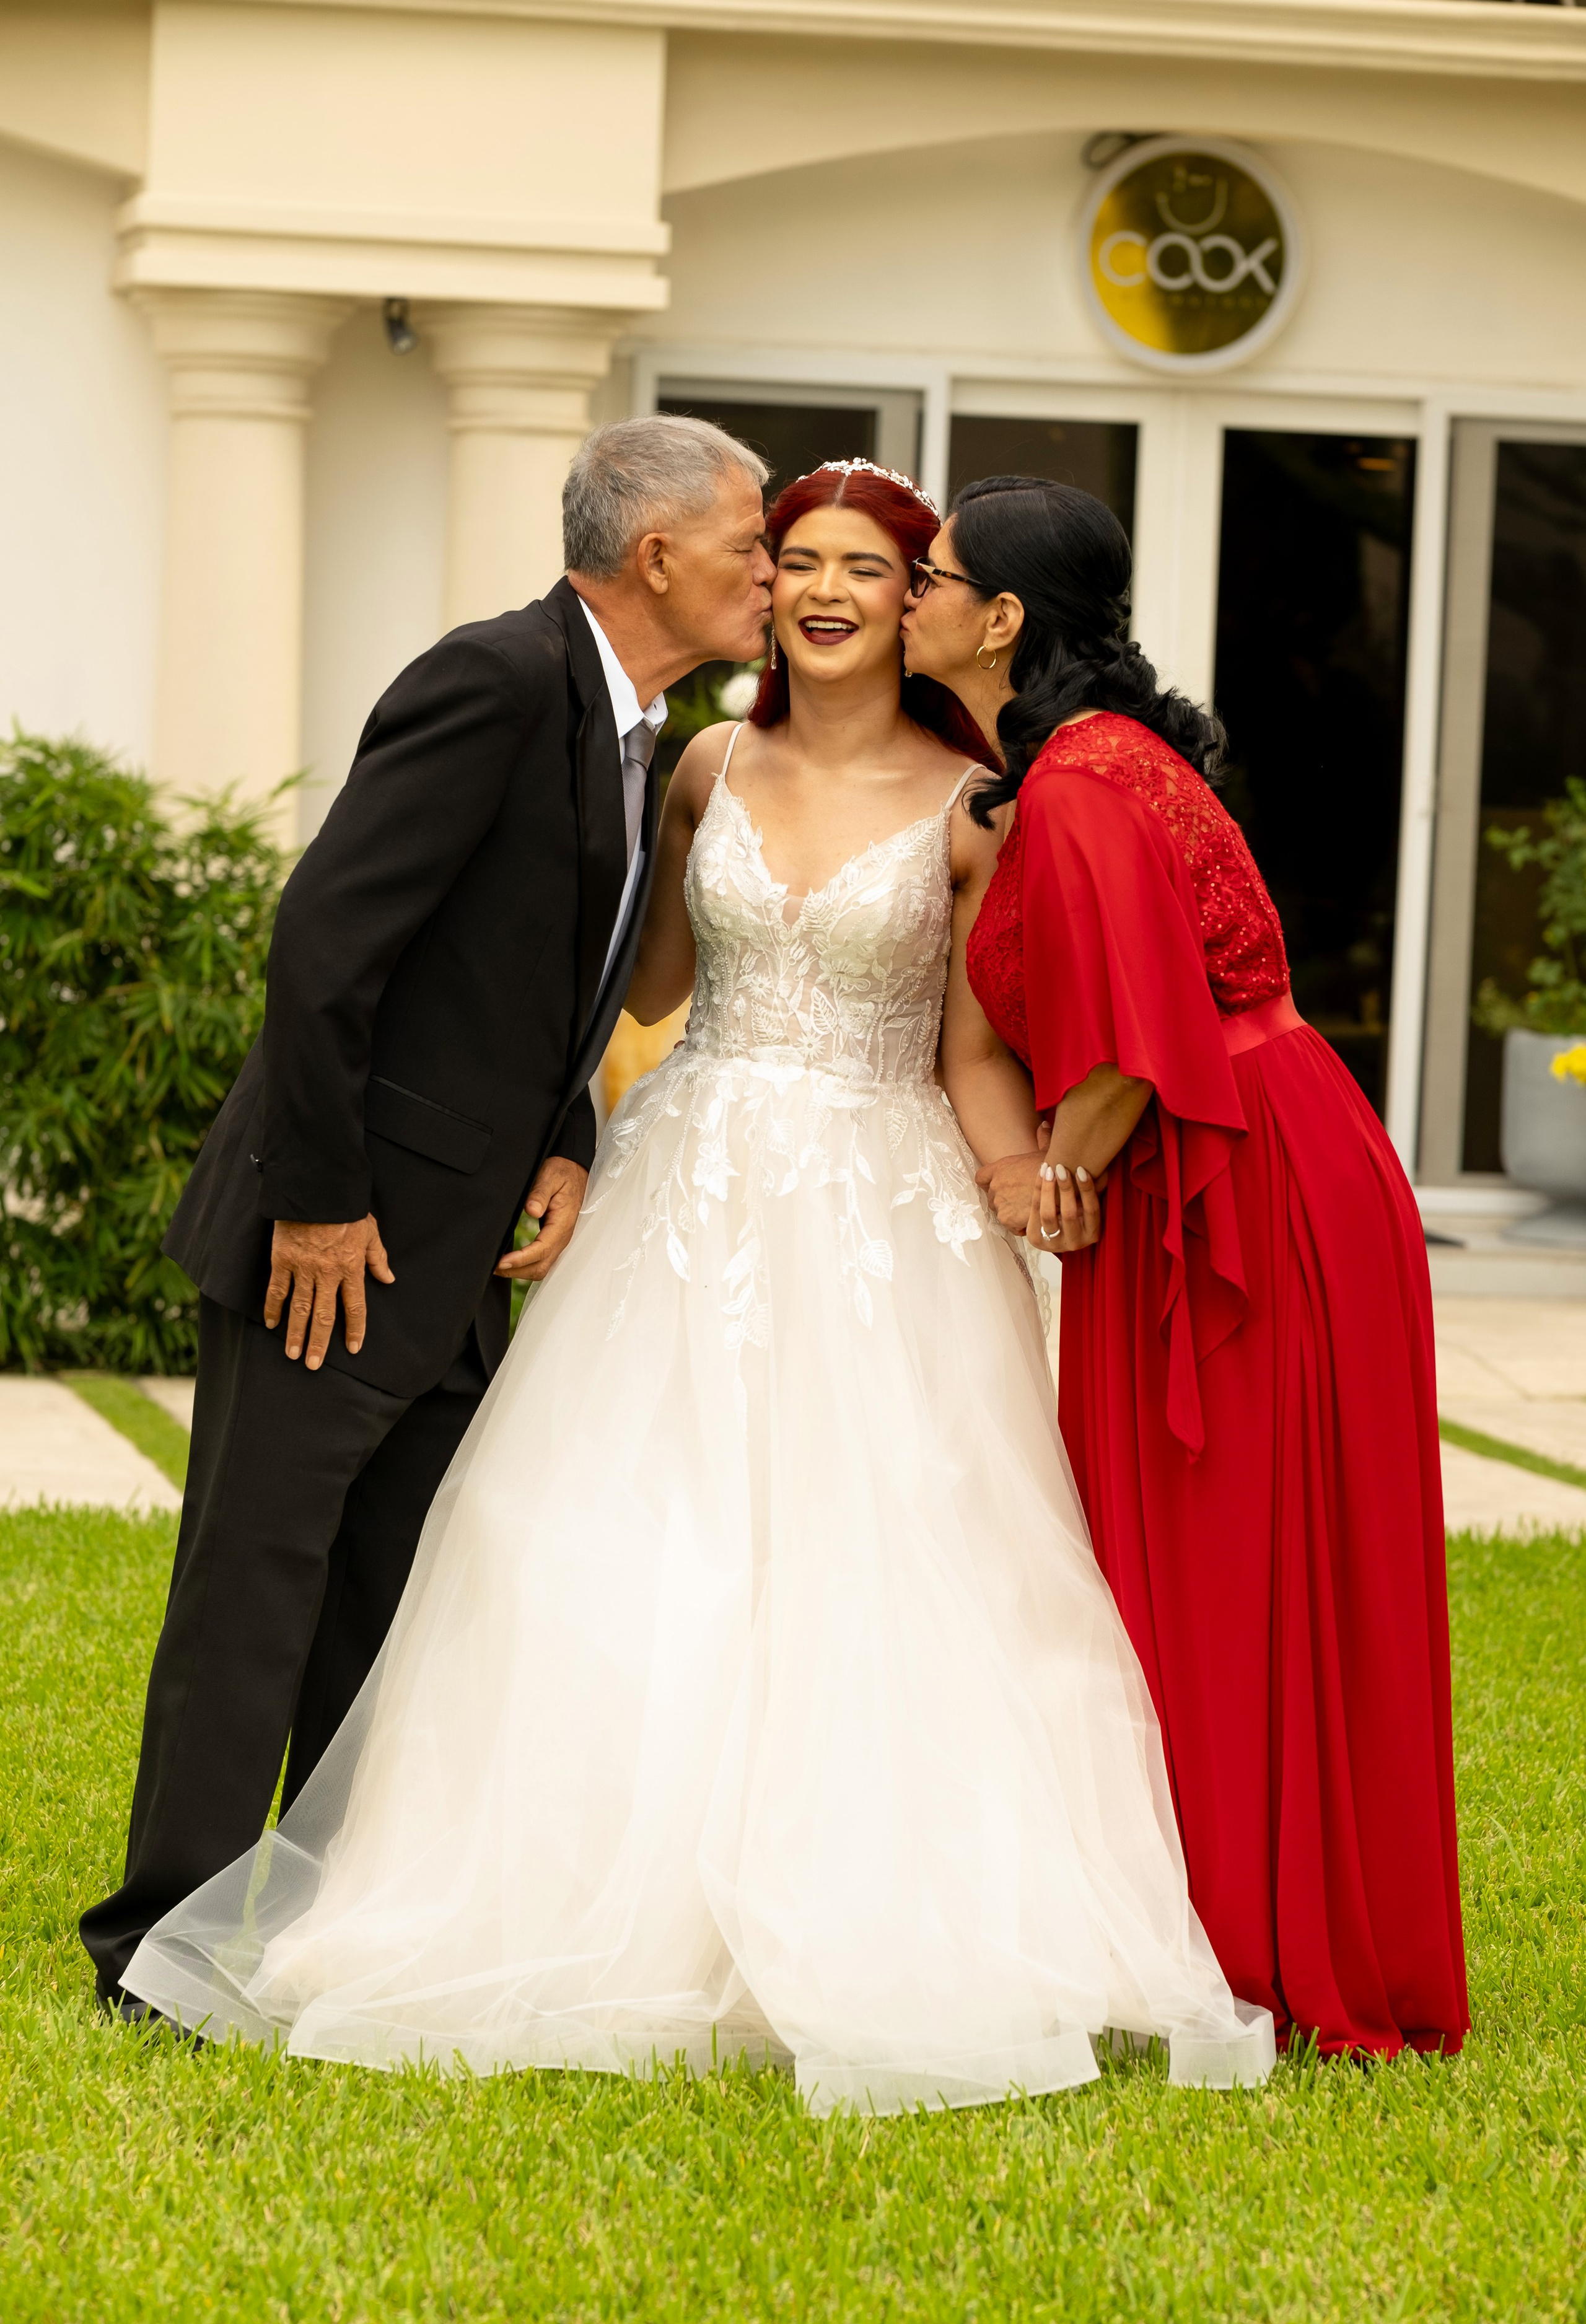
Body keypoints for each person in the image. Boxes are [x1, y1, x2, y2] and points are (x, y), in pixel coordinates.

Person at [121, 461, 1274, 2114]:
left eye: (859, 569)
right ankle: (486, 1885)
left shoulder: (979, 808)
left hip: (883, 1206)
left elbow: (967, 1041)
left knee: (889, 1556)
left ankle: (876, 1908)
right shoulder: (696, 767)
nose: (811, 589)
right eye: (785, 557)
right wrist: (575, 1127)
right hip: (691, 1181)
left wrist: (1030, 1179)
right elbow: (629, 978)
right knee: (597, 1540)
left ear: (915, 603)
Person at [82, 415, 776, 2022]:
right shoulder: (492, 681)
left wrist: (567, 1141)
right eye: (752, 544)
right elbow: (327, 943)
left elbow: (540, 977)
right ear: (656, 553)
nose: (769, 572)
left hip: (463, 1254)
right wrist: (318, 1212)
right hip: (339, 1245)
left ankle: (325, 1924)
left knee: (386, 1621)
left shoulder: (640, 728)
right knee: (256, 1597)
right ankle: (155, 1949)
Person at [900, 474, 1469, 2061]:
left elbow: (1139, 1041)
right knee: (1243, 1565)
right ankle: (1255, 1919)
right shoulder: (1070, 767)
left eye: (930, 575)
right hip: (1260, 1141)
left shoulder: (1082, 781)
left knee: (1230, 1562)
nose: (905, 595)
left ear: (1001, 620)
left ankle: (1268, 1945)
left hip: (1240, 1168)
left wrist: (1050, 1179)